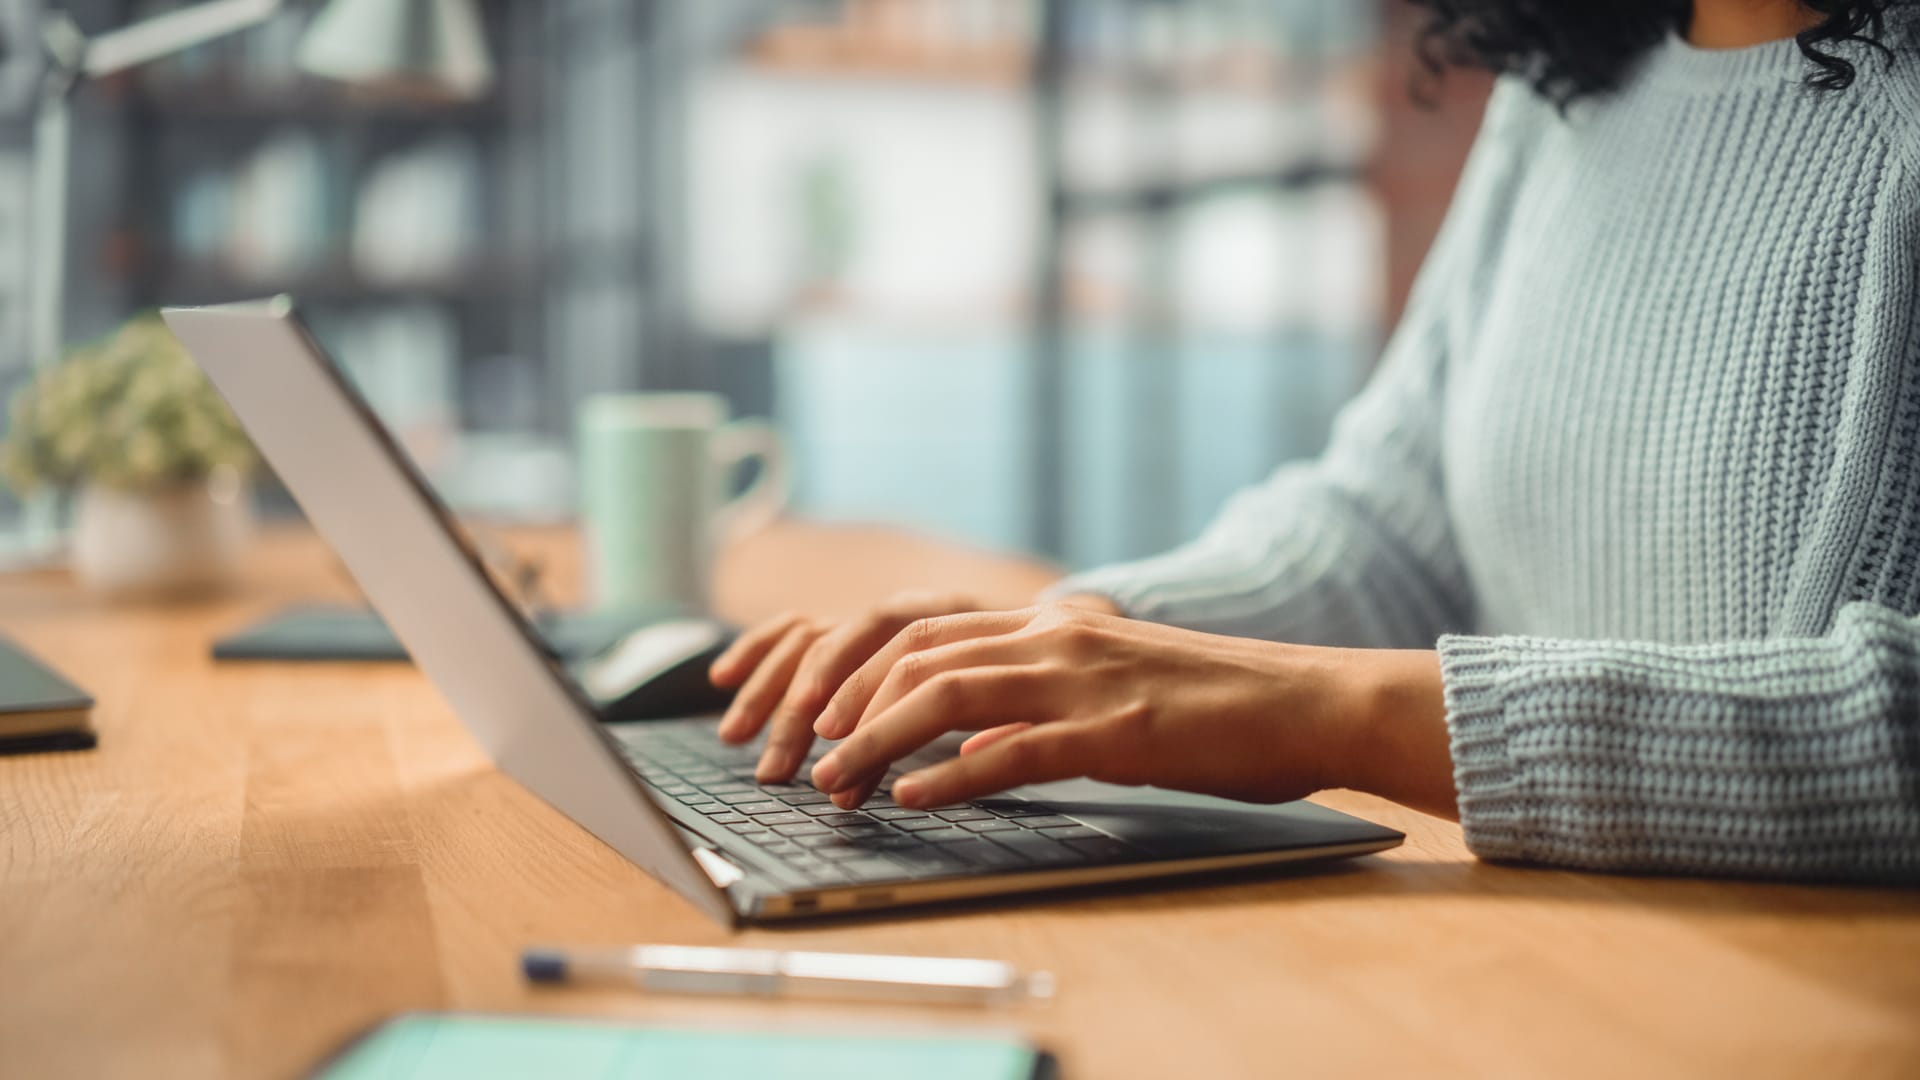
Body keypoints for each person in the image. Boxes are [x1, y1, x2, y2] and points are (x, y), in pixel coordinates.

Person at [709, 0, 1920, 882]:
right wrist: (1067, 645)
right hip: (1532, 959)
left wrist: (1326, 715)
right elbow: (1393, 521)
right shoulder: (1575, 83)